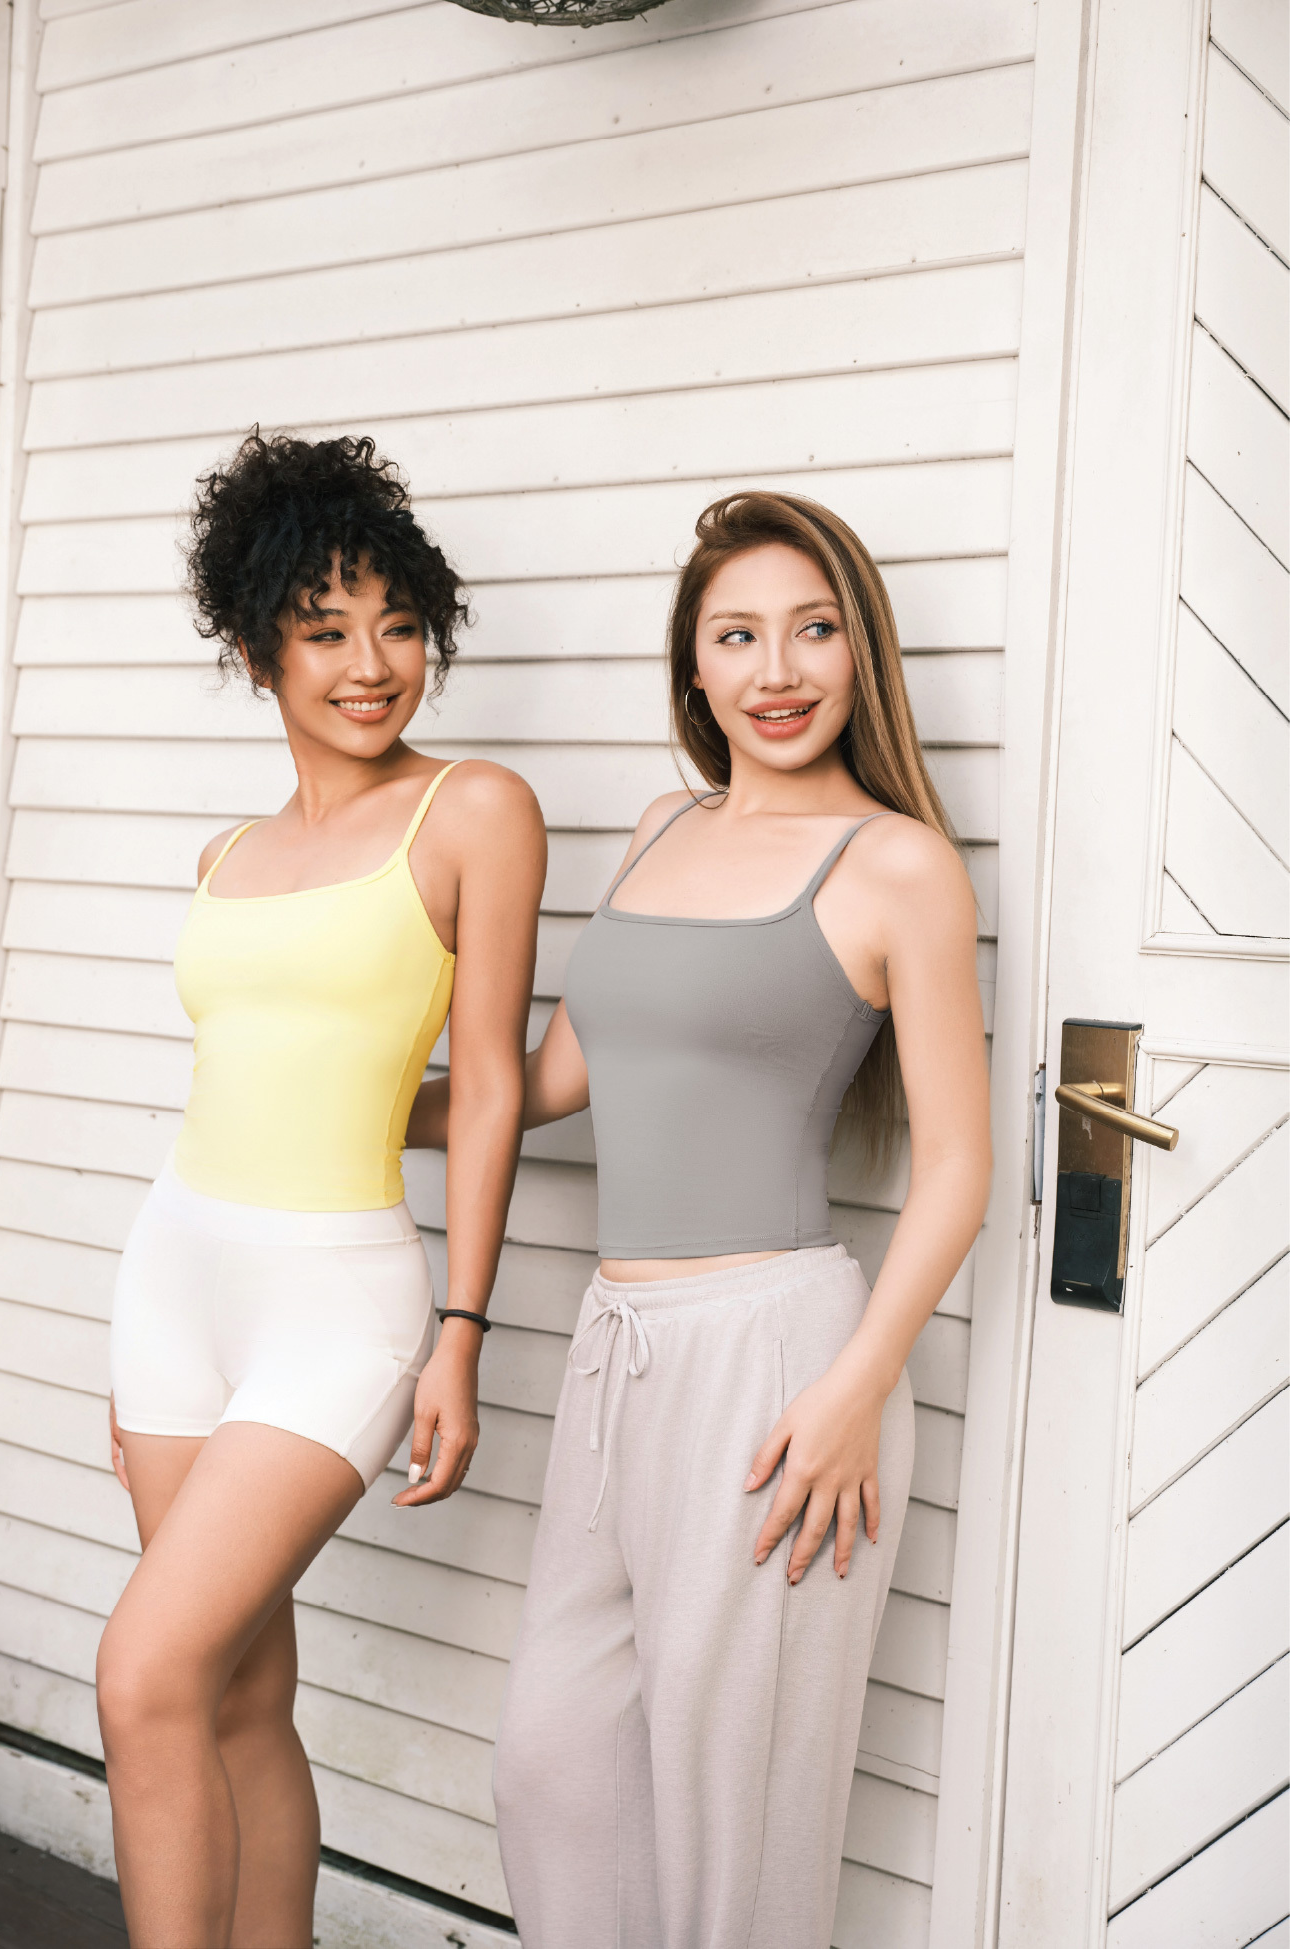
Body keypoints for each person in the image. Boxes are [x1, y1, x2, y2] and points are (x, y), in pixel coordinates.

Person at [411, 488, 991, 1946]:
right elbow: (560, 1075)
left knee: (734, 1822)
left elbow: (958, 1165)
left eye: (812, 630)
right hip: (619, 1347)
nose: (775, 670)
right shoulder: (663, 826)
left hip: (778, 1362)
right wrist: (369, 1102)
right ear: (693, 664)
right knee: (556, 1764)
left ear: (860, 653)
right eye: (736, 635)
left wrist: (853, 1389)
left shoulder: (896, 864)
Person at [95, 432, 546, 1949]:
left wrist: (462, 1334)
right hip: (176, 1276)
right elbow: (242, 1074)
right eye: (326, 630)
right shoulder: (225, 851)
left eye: (399, 627)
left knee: (143, 1674)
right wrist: (152, 1312)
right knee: (234, 1693)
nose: (371, 666)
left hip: (338, 1296)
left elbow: (488, 1085)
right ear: (256, 651)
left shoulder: (472, 810)